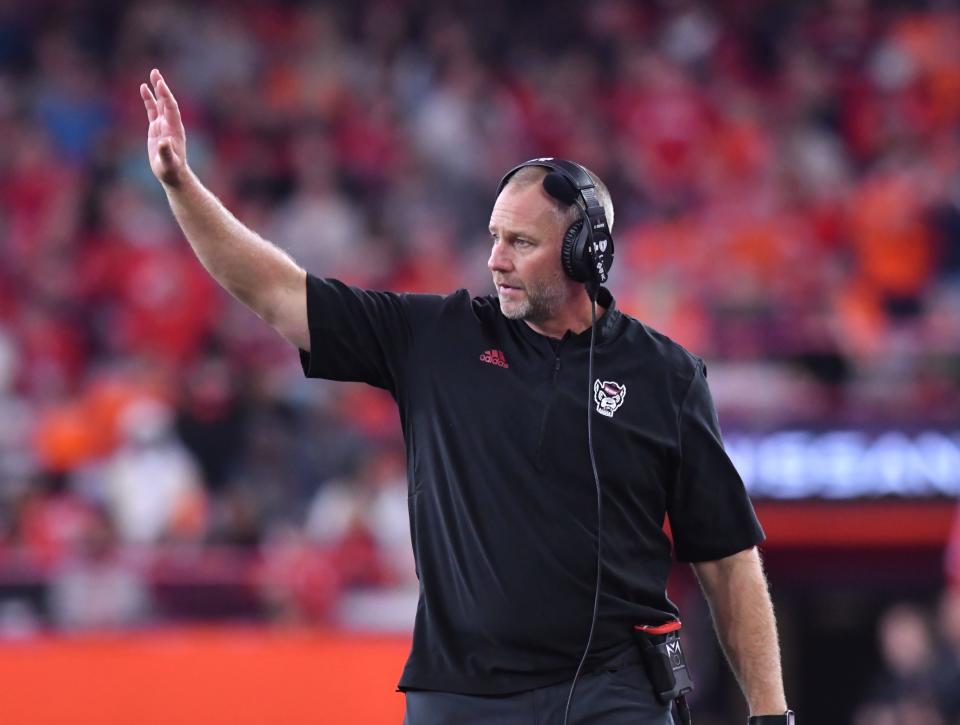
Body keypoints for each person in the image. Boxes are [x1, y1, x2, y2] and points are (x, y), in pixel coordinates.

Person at [140, 68, 792, 724]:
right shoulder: (437, 337)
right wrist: (181, 186)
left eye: (521, 242)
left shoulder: (667, 375)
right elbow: (278, 292)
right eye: (494, 236)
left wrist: (770, 713)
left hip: (613, 693)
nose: (495, 258)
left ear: (582, 254)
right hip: (464, 695)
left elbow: (728, 560)